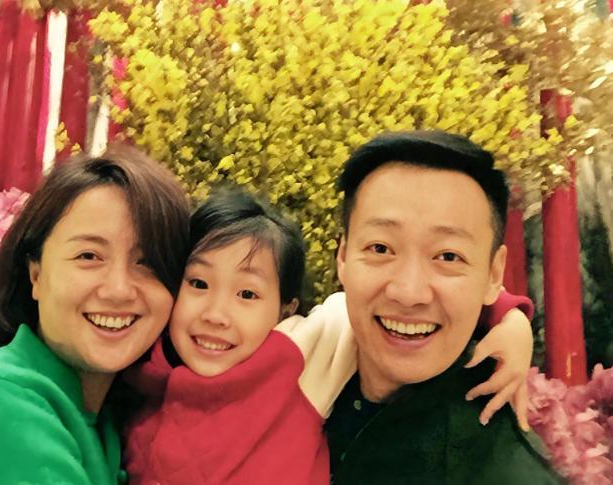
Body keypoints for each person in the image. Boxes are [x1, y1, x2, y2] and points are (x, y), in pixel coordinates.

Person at [123, 187, 536, 485]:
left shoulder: (300, 354)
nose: (215, 315)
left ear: (285, 309)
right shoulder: (137, 370)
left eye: (247, 294)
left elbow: (411, 306)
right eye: (198, 284)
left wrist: (510, 319)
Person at [0, 146, 190, 485]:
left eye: (147, 262)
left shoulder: (105, 422)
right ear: (36, 275)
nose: (118, 289)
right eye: (88, 256)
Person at [325, 131, 561, 484]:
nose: (409, 293)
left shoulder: (507, 472)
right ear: (343, 257)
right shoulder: (304, 368)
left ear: (493, 275)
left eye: (448, 256)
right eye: (380, 248)